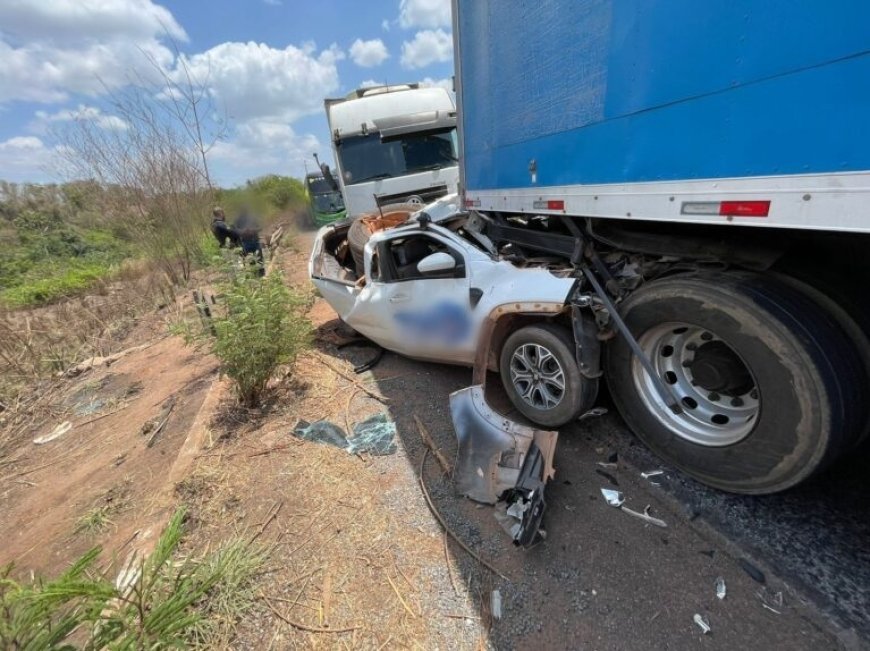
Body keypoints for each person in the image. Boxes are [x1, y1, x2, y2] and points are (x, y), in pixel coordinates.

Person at [233, 207, 265, 276]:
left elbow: (261, 227)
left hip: (255, 241)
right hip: (245, 242)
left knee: (260, 260)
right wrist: (243, 231)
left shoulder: (253, 217)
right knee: (251, 262)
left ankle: (263, 277)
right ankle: (255, 278)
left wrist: (253, 230)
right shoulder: (237, 220)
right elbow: (235, 230)